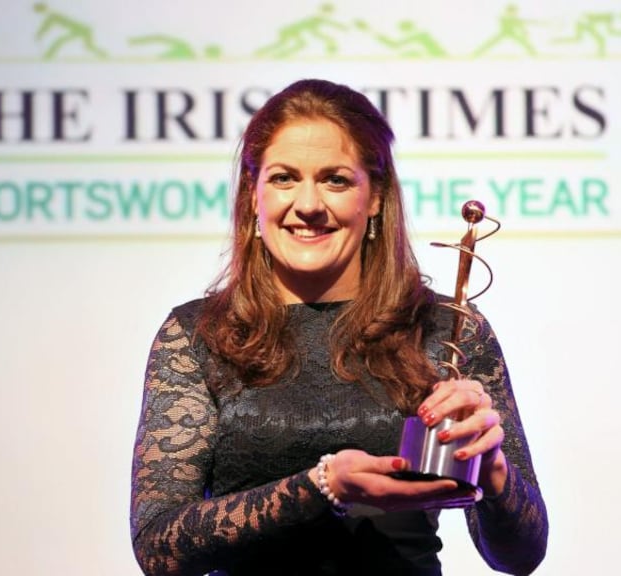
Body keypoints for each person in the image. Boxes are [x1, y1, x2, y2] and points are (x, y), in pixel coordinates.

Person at [130, 79, 548, 576]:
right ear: (252, 193)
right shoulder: (199, 335)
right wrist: (321, 486)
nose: (308, 204)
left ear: (374, 198)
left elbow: (520, 556)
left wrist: (493, 469)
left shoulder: (446, 329)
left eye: (335, 180)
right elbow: (158, 548)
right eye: (285, 178)